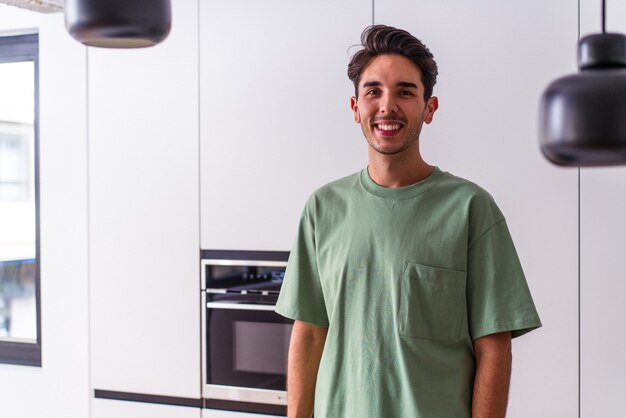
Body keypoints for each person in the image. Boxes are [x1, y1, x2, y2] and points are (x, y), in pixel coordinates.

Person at [275, 24, 541, 418]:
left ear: (429, 108)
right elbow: (310, 335)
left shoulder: (470, 208)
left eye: (405, 91)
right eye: (373, 91)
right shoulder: (322, 208)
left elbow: (495, 345)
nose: (387, 106)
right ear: (355, 109)